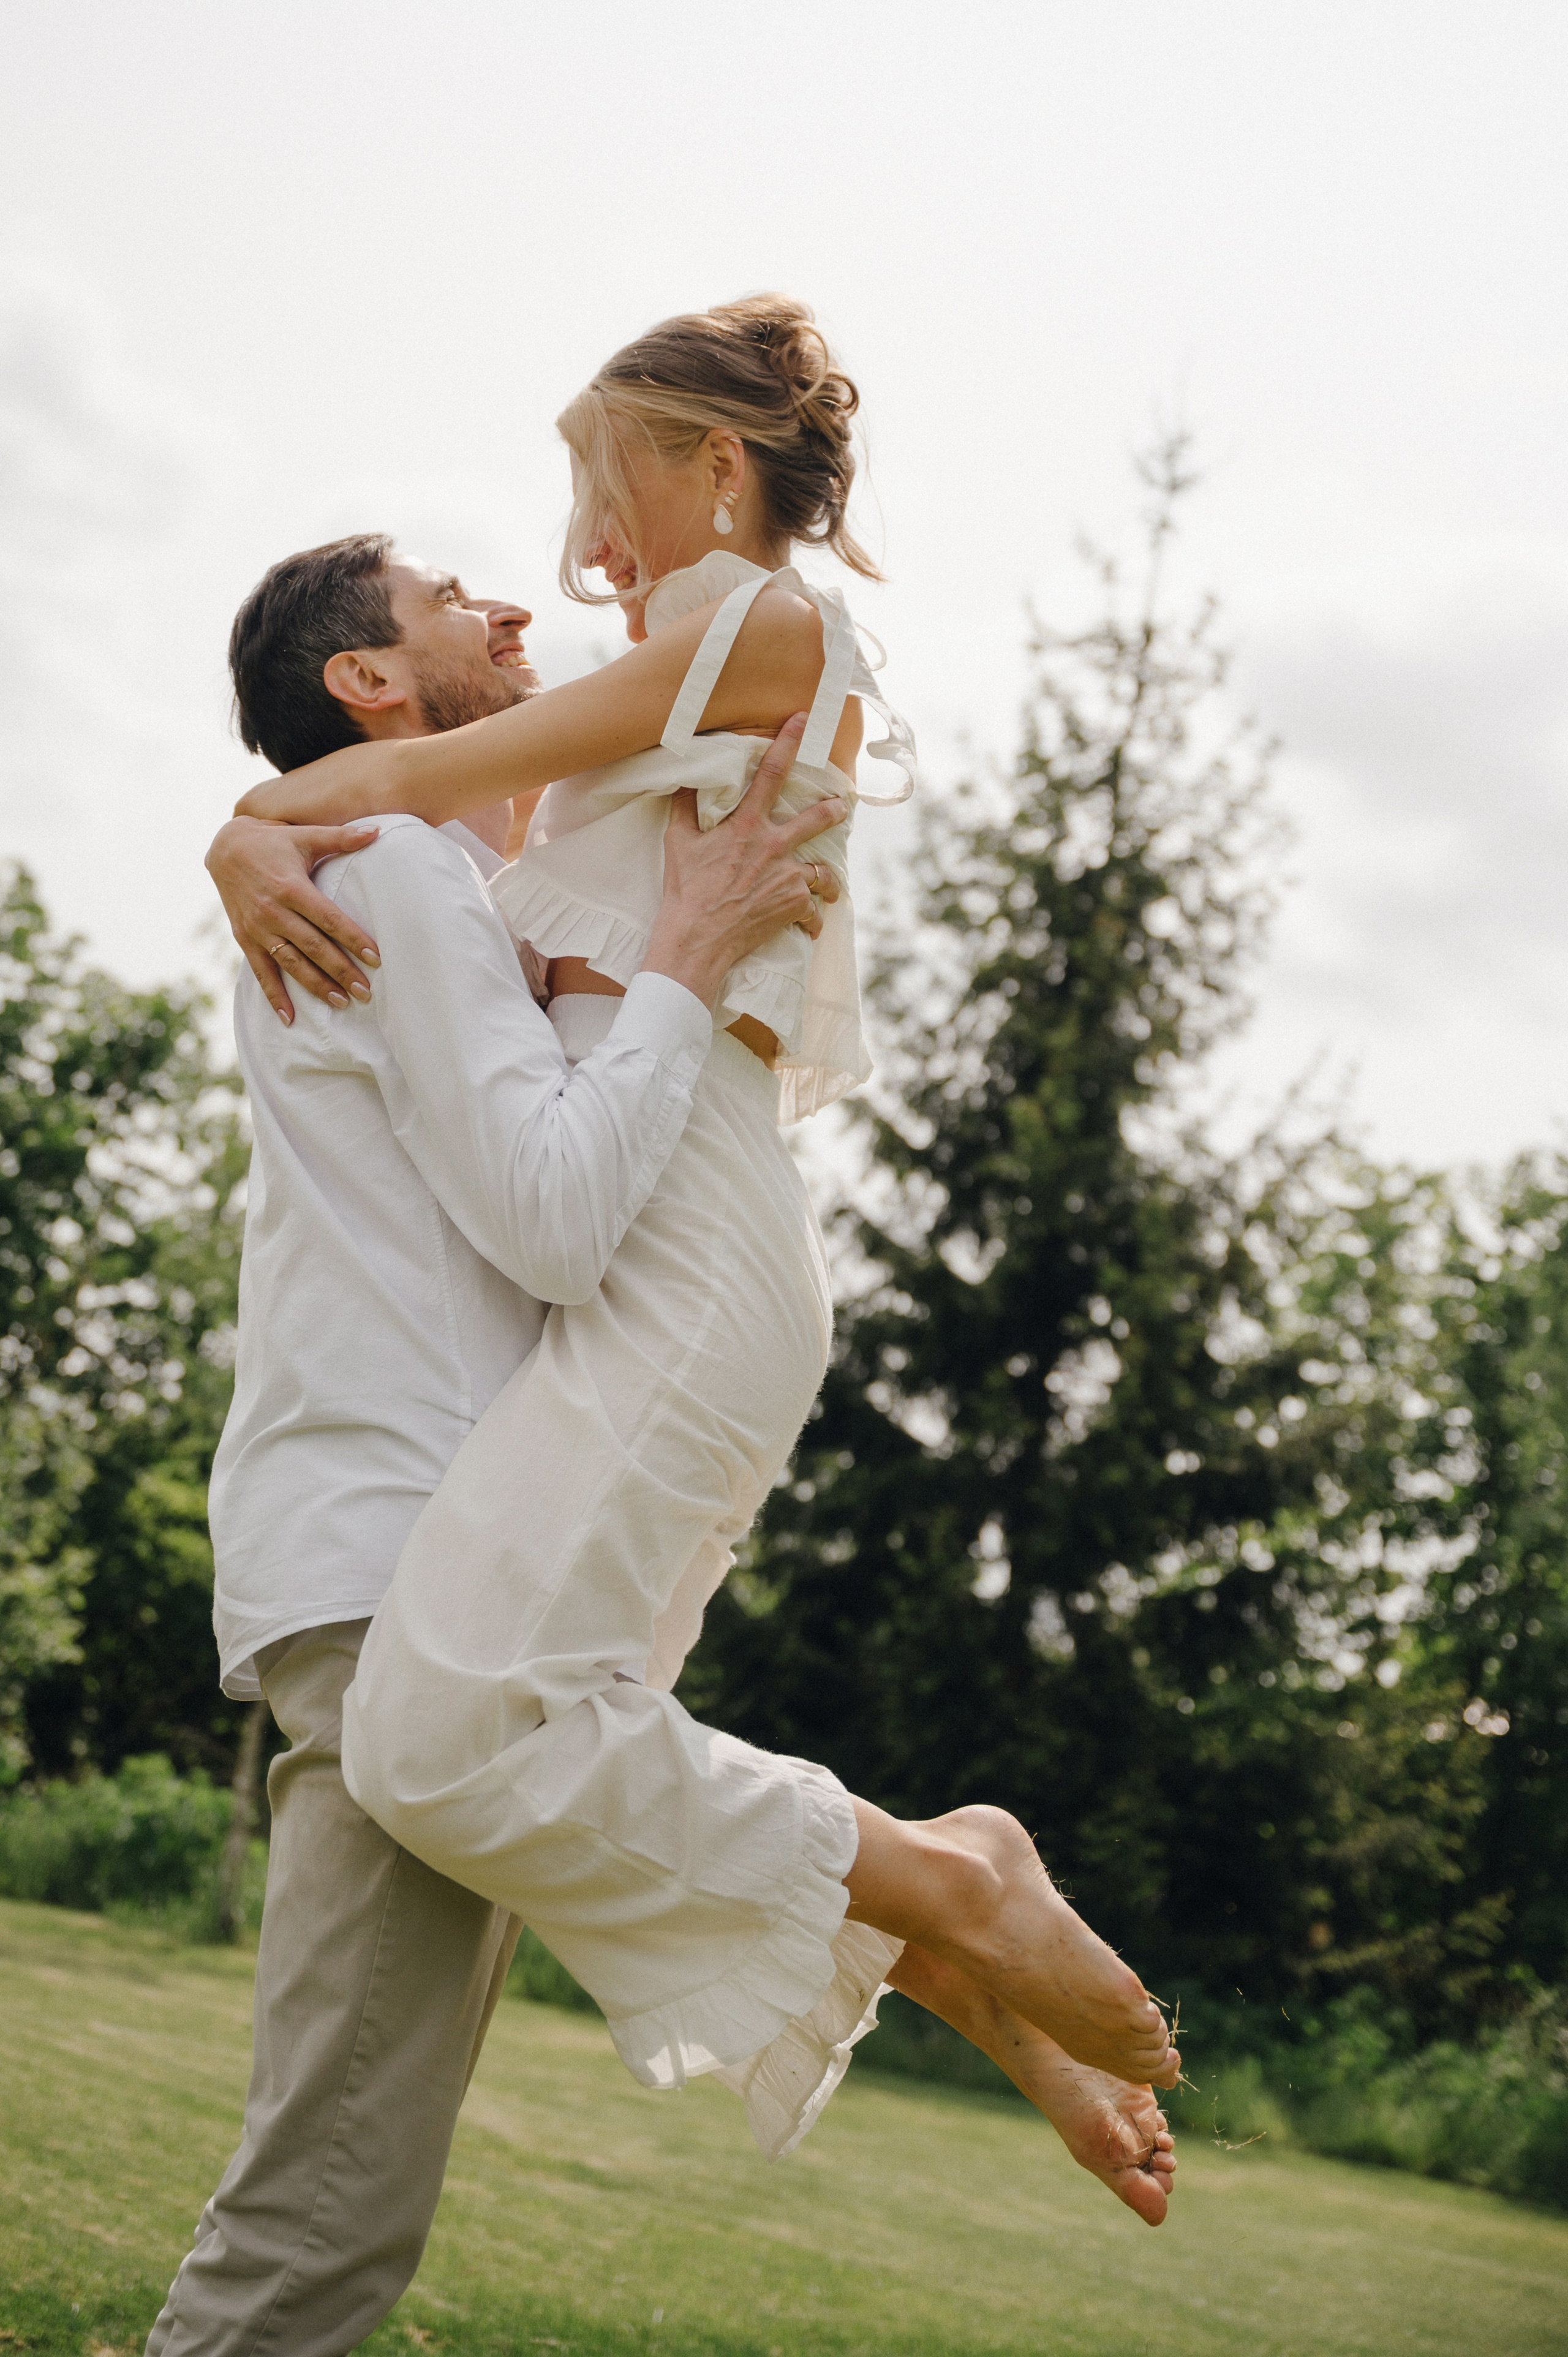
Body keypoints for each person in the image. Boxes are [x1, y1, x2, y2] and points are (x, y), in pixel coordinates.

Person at [222, 296, 1178, 2224]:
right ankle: (951, 1942)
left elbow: (384, 784)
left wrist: (255, 824)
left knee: (451, 1736)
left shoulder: (768, 633)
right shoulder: (655, 688)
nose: (573, 545)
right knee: (537, 1749)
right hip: (651, 1262)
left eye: (599, 478)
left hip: (688, 1251)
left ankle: (954, 1886)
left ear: (714, 464)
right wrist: (267, 825)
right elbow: (410, 793)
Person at [149, 533, 848, 2357]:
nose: (518, 609)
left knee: (332, 2195)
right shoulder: (393, 867)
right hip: (404, 1588)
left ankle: (961, 1929)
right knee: (319, 2224)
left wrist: (252, 826)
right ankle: (956, 1899)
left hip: (396, 1565)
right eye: (456, 599)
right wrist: (684, 960)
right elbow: (551, 1222)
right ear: (370, 684)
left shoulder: (401, 865)